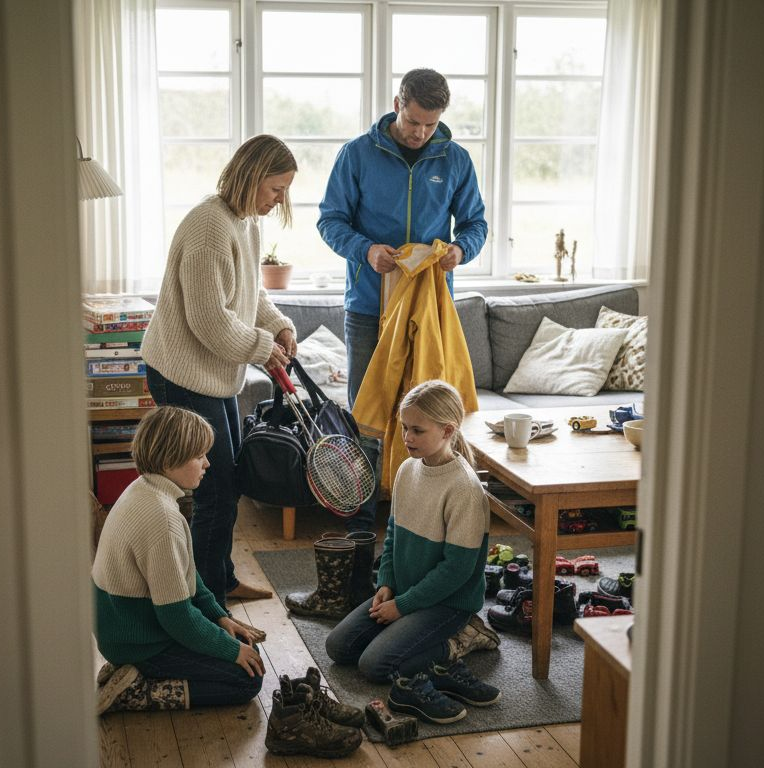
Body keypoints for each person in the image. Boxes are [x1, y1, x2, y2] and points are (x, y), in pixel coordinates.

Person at [318, 68, 488, 533]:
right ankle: (361, 529)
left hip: (429, 311)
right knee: (368, 418)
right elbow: (330, 220)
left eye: (430, 125)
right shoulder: (357, 154)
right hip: (368, 308)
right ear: (397, 104)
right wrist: (366, 250)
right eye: (413, 121)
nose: (420, 133)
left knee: (429, 419)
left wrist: (460, 250)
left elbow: (475, 224)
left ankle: (419, 524)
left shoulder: (455, 159)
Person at [141, 134, 299, 605]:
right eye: (276, 189)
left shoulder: (245, 223)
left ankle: (219, 581)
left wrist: (278, 325)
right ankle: (206, 599)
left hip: (214, 375)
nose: (280, 200)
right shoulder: (209, 228)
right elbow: (209, 320)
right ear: (252, 177)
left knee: (227, 482)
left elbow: (251, 295)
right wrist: (262, 348)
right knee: (216, 489)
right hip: (182, 374)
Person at [323, 380, 499, 722]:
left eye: (417, 430)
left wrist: (402, 607)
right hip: (405, 591)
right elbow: (392, 536)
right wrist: (386, 583)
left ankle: (458, 643)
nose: (407, 437)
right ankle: (416, 637)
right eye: (405, 427)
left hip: (447, 603)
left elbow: (456, 571)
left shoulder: (464, 489)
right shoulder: (406, 470)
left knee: (374, 665)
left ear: (447, 430)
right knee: (338, 647)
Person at [94, 406, 267, 714]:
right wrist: (229, 649)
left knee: (243, 651)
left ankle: (130, 671)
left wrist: (219, 617)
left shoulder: (144, 488)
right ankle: (135, 691)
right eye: (199, 456)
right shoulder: (162, 517)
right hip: (141, 642)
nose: (207, 463)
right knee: (246, 680)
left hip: (124, 629)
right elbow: (177, 618)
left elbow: (185, 573)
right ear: (168, 460)